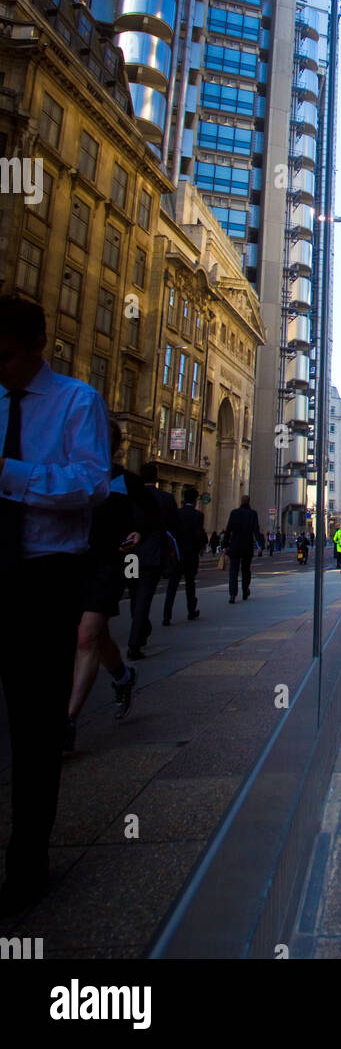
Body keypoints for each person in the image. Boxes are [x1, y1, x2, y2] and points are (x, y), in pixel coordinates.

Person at [0, 296, 111, 915]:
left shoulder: (76, 402)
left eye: (7, 356)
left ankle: (27, 858)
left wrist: (9, 474)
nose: (0, 368)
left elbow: (90, 484)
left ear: (36, 346)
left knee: (36, 725)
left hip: (43, 580)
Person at [67, 420, 158, 748]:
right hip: (70, 561)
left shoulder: (125, 481)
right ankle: (122, 676)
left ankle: (69, 722)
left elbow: (151, 517)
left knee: (87, 635)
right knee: (96, 635)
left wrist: (139, 533)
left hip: (109, 564)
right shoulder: (70, 473)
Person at [127, 463, 180, 659]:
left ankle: (140, 628)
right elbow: (175, 526)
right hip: (152, 555)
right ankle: (135, 641)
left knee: (134, 593)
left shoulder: (130, 496)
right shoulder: (165, 498)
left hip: (131, 555)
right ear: (157, 477)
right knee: (144, 597)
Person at [163, 487, 207, 624]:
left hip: (177, 554)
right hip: (191, 555)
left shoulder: (177, 514)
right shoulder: (198, 515)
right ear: (194, 501)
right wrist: (202, 545)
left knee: (172, 585)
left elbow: (169, 532)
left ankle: (166, 615)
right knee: (190, 583)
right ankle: (191, 610)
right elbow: (200, 534)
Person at [223, 494, 261, 602]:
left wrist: (224, 545)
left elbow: (228, 529)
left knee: (233, 571)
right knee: (246, 570)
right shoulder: (253, 514)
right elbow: (256, 530)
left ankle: (232, 594)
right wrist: (259, 545)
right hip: (247, 546)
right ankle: (245, 591)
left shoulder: (234, 513)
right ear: (249, 502)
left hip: (235, 545)